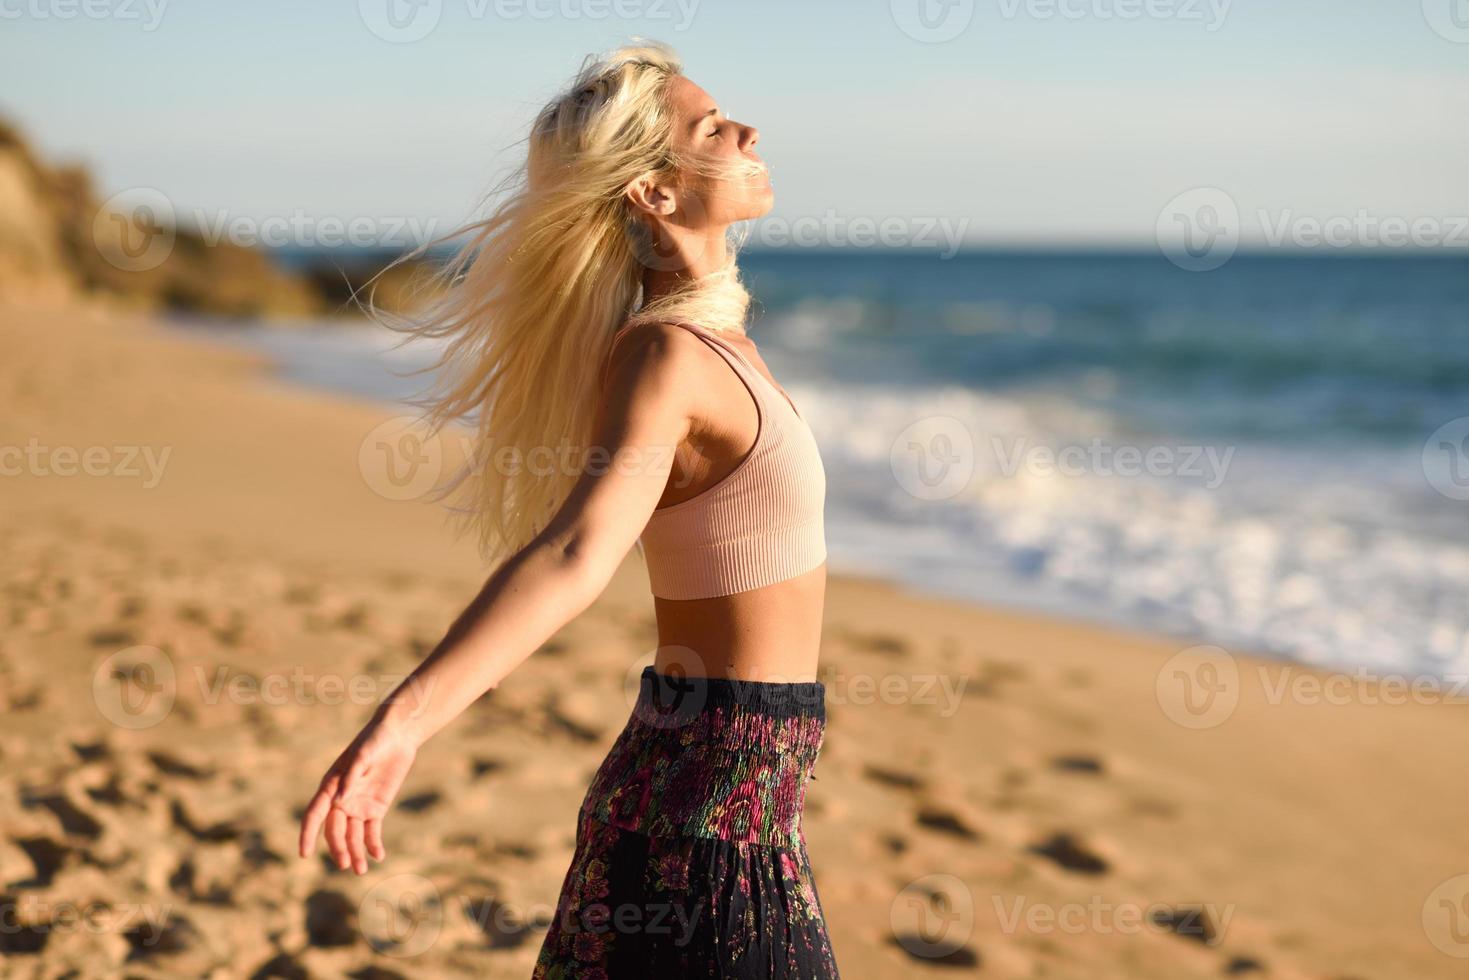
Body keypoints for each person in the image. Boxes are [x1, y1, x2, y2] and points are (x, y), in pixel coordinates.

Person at [297, 40, 839, 978]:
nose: (750, 132)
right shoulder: (666, 356)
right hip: (700, 815)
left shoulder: (717, 343)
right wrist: (405, 722)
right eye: (712, 127)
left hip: (739, 804)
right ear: (655, 194)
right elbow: (575, 552)